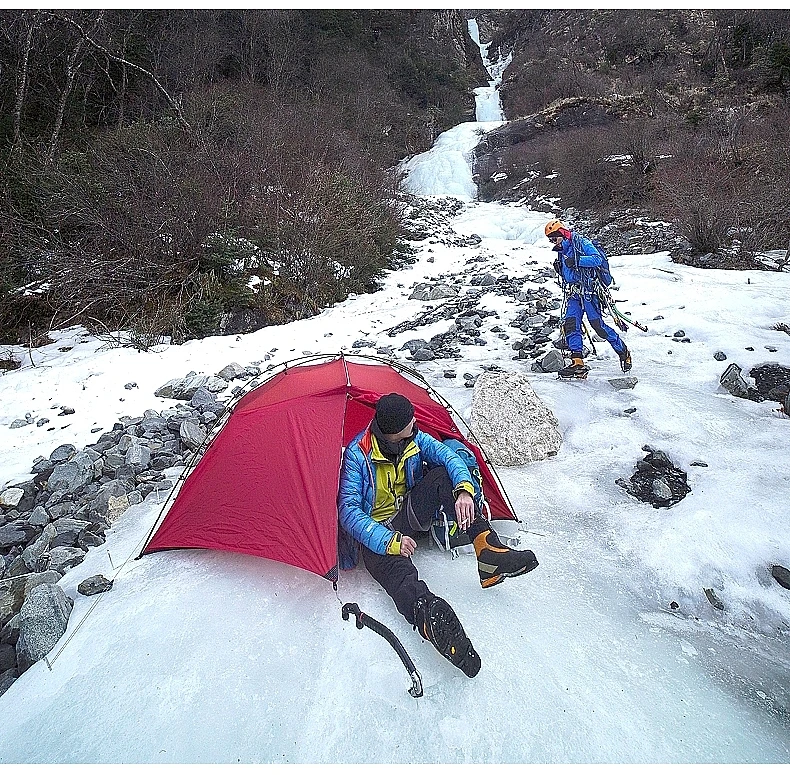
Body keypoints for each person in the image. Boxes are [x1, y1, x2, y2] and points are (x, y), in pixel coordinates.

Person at [338, 393, 539, 678]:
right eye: (410, 428)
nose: (416, 429)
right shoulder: (358, 455)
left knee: (445, 476)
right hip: (376, 533)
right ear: (393, 437)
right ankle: (426, 613)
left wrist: (464, 491)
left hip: (406, 514)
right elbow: (348, 512)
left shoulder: (415, 438)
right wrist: (389, 541)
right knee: (397, 572)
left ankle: (488, 550)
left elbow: (448, 456)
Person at [545, 218, 632, 378]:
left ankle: (623, 352)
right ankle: (577, 362)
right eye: (550, 239)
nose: (552, 242)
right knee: (571, 324)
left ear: (562, 234)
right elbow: (568, 271)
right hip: (573, 293)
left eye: (554, 238)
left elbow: (597, 259)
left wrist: (577, 261)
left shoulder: (581, 242)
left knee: (598, 326)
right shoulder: (560, 250)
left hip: (590, 291)